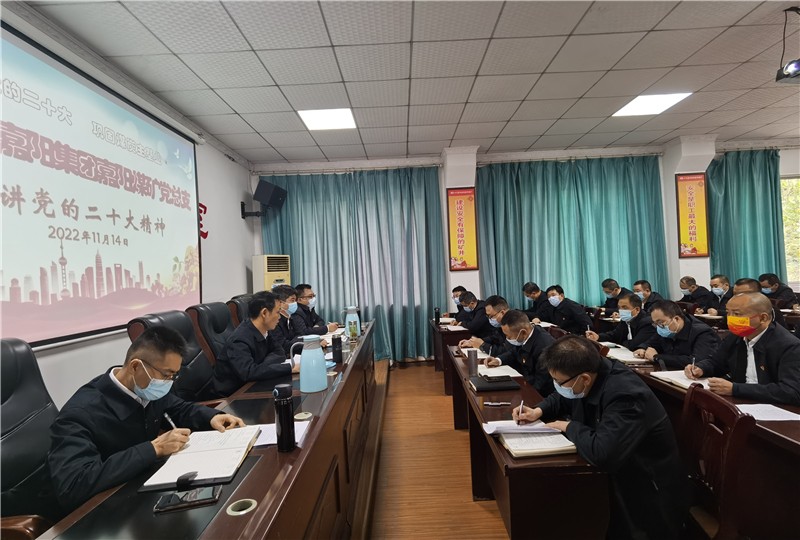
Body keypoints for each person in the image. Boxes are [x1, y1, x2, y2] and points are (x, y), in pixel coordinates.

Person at [30, 327, 245, 521]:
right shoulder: (80, 414)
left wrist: (211, 417)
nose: (169, 383)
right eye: (167, 375)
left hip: (140, 492)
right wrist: (153, 448)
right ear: (135, 366)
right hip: (97, 515)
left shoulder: (145, 388)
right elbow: (74, 485)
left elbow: (178, 408)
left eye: (174, 375)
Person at [514, 336, 687, 539]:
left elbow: (604, 454)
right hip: (619, 474)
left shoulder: (625, 395)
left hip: (647, 492)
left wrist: (569, 426)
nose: (556, 386)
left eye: (559, 382)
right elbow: (562, 396)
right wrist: (538, 411)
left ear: (584, 379)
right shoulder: (589, 374)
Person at [686, 293, 800, 406]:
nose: (730, 318)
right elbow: (717, 362)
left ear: (763, 318)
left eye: (737, 314)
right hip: (742, 402)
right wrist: (701, 368)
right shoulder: (736, 336)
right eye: (728, 313)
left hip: (775, 407)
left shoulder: (789, 346)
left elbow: (791, 391)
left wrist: (735, 389)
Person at [213, 291, 299, 397]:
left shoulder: (263, 330)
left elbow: (279, 351)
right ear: (264, 313)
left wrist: (261, 367)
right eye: (278, 312)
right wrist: (289, 368)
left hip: (255, 386)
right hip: (234, 396)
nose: (280, 317)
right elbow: (249, 372)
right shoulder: (239, 340)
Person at [485, 309, 555, 396]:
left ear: (523, 333)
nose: (507, 339)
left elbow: (541, 383)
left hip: (541, 393)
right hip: (526, 383)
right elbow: (514, 351)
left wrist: (521, 394)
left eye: (508, 336)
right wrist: (498, 360)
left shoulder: (544, 347)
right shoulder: (528, 334)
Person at [634, 300, 719, 369]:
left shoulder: (703, 333)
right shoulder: (665, 328)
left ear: (676, 319)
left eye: (660, 322)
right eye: (655, 323)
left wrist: (657, 357)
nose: (658, 327)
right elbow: (651, 343)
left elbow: (697, 361)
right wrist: (643, 349)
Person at [585, 293, 655, 351]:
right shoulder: (625, 319)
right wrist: (598, 337)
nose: (621, 310)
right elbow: (615, 335)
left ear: (637, 309)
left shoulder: (647, 323)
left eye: (624, 307)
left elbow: (634, 345)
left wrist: (620, 342)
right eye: (619, 307)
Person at [272, 284, 304, 355]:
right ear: (280, 303)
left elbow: (300, 334)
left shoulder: (290, 317)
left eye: (295, 300)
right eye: (292, 300)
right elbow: (284, 346)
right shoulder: (274, 322)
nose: (295, 303)